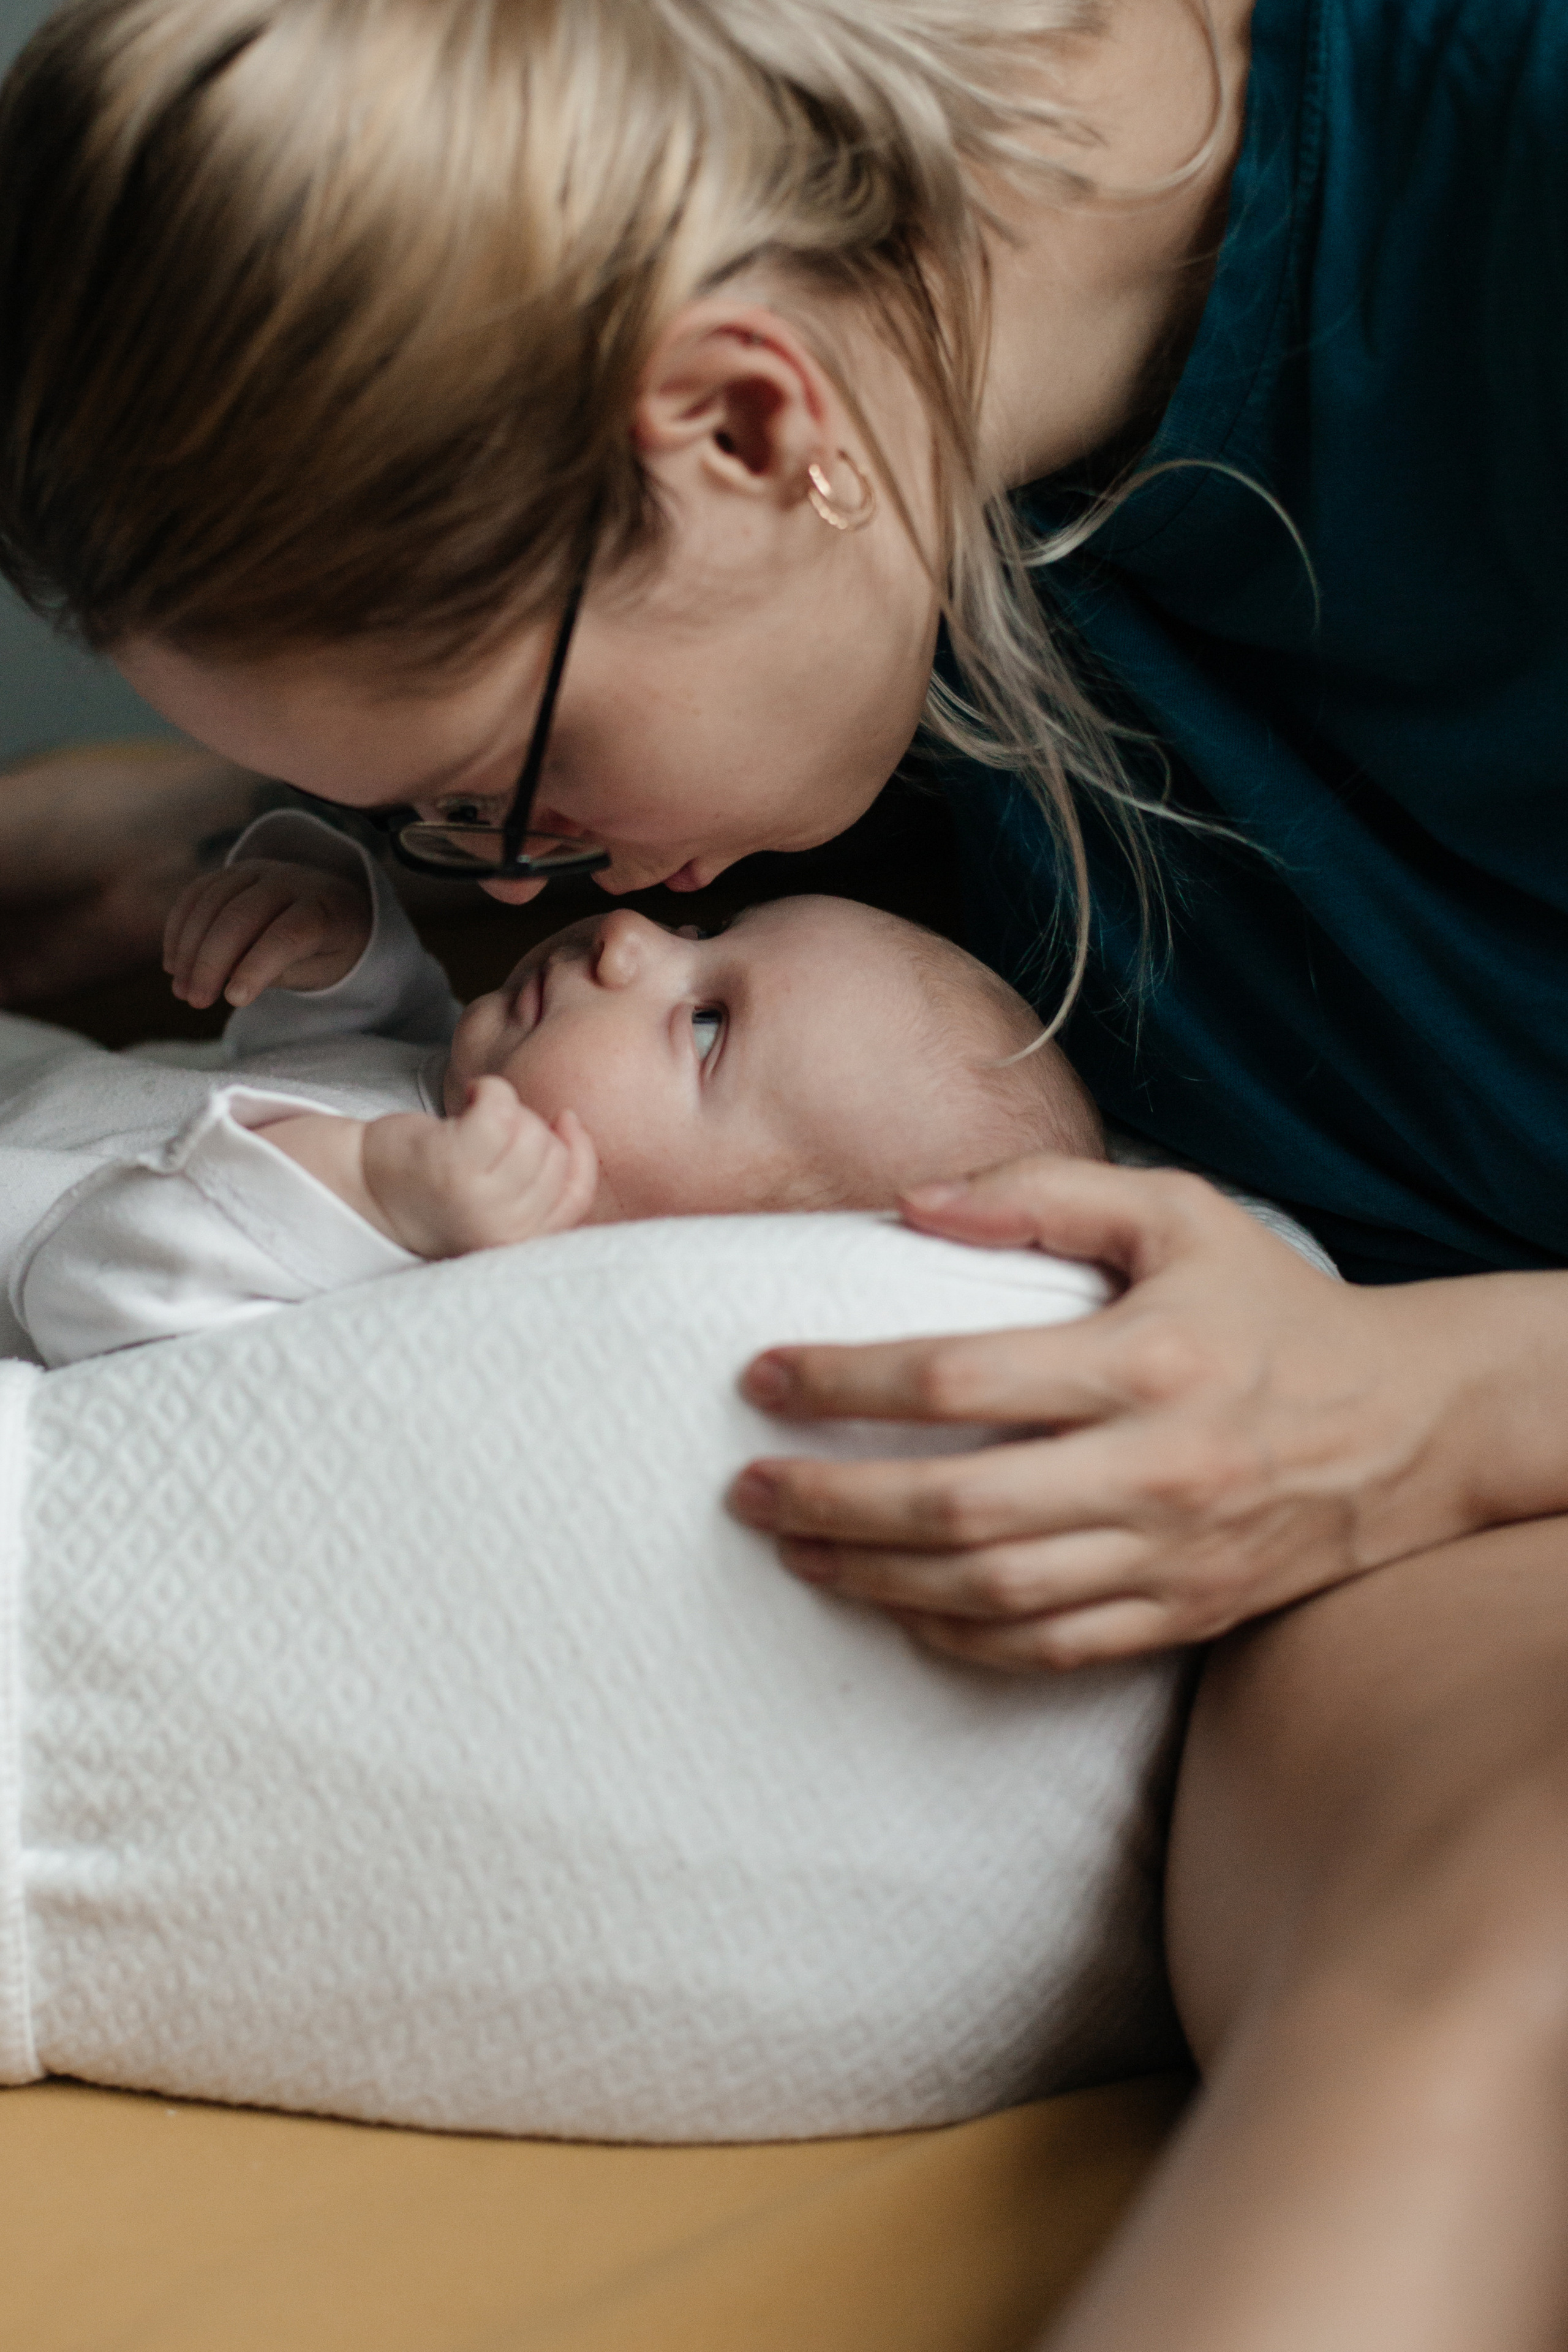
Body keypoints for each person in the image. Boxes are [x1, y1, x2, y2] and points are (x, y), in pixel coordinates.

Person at [1, 1, 1565, 2343]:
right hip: (1271, 1350)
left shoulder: (1497, 195)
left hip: (1483, 1395)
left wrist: (1415, 1410)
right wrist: (315, 856)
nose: (529, 884)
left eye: (505, 786)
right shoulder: (794, 628)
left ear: (750, 420)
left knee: (1504, 1968)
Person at [4, 808, 1107, 1363]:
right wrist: (339, 946)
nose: (628, 938)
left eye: (707, 1023)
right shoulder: (459, 1093)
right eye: (702, 930)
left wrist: (372, 1192)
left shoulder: (434, 1276)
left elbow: (86, 1287)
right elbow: (375, 1054)